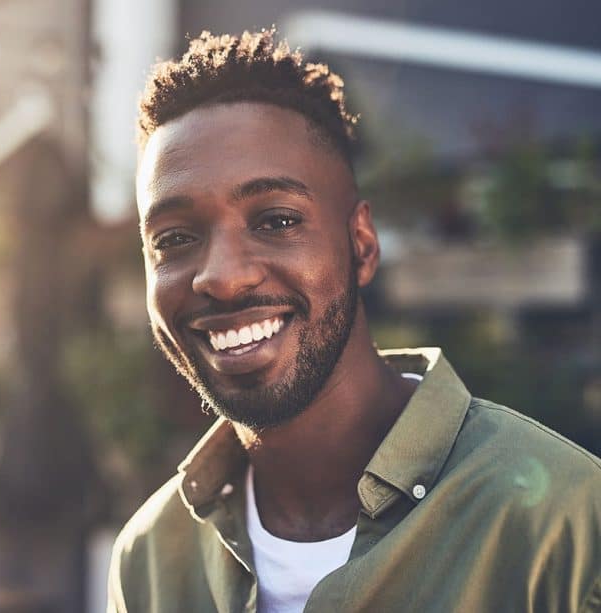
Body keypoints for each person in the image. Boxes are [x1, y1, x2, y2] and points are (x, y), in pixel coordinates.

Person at [107, 29, 601, 613]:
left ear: (361, 244)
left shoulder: (566, 523)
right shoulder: (150, 558)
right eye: (176, 238)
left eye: (276, 220)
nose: (221, 277)